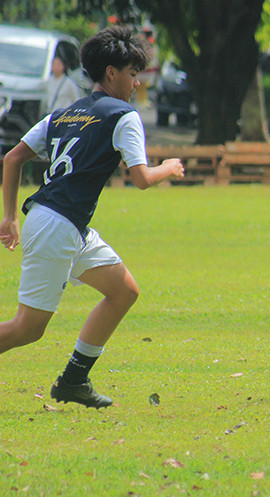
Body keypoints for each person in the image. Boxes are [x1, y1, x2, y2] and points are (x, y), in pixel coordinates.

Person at [0, 26, 185, 408]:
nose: (136, 83)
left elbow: (13, 157)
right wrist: (169, 167)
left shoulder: (63, 115)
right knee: (27, 329)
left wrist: (9, 217)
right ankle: (72, 380)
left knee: (124, 291)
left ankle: (73, 380)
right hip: (58, 225)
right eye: (133, 74)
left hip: (62, 223)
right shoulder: (123, 116)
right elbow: (142, 178)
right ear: (112, 73)